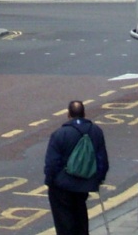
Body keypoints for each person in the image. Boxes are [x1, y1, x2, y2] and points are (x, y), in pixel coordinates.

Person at [43, 100, 109, 235]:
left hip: (62, 185)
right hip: (84, 184)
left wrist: (50, 181)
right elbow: (102, 159)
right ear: (84, 114)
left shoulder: (60, 134)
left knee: (64, 222)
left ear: (69, 114)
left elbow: (52, 163)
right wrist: (98, 179)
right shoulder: (96, 131)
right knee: (80, 216)